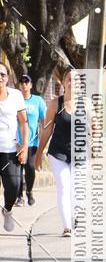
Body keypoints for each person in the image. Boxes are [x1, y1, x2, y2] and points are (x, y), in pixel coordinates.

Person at [35, 69, 73, 236]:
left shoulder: (86, 104)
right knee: (64, 187)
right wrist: (38, 154)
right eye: (69, 79)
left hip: (79, 154)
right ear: (63, 83)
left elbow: (94, 128)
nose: (73, 83)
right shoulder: (55, 104)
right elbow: (47, 129)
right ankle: (67, 227)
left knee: (78, 189)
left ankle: (76, 215)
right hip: (58, 153)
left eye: (77, 80)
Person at [0, 64, 29, 232]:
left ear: (8, 77)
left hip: (10, 150)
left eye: (2, 74)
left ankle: (8, 210)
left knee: (13, 186)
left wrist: (24, 146)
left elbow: (24, 122)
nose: (0, 77)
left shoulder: (16, 96)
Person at [15, 74, 46, 206]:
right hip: (16, 142)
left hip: (32, 142)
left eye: (26, 82)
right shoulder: (15, 100)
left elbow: (45, 121)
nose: (24, 84)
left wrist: (45, 137)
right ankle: (19, 197)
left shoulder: (38, 101)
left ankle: (29, 191)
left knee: (30, 168)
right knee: (16, 170)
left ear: (31, 85)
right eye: (21, 82)